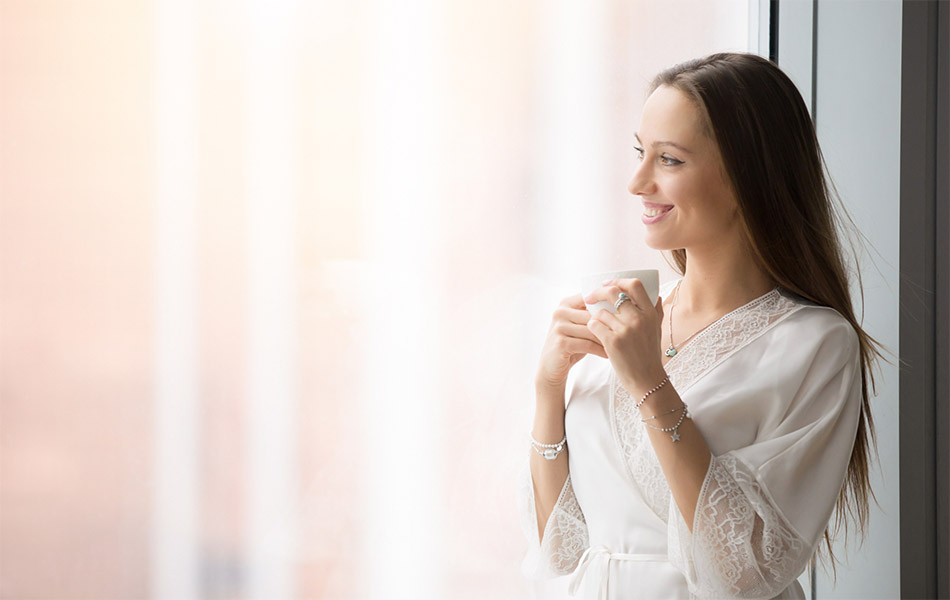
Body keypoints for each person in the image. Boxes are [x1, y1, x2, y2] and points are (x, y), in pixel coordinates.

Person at [518, 52, 880, 599]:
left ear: (746, 174)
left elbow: (744, 572)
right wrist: (548, 392)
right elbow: (561, 550)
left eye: (669, 160)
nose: (637, 182)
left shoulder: (815, 344)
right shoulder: (627, 324)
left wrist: (649, 383)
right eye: (641, 153)